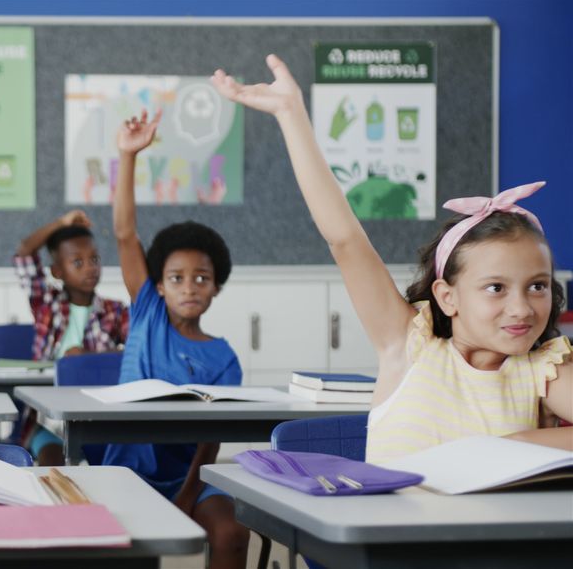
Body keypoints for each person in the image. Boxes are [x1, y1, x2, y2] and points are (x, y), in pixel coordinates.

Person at [209, 54, 572, 464]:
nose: (521, 307)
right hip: (395, 529)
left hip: (497, 531)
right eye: (495, 288)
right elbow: (345, 239)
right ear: (447, 296)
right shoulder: (408, 344)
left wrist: (518, 443)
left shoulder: (544, 368)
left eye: (537, 286)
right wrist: (291, 114)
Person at [102, 108, 249, 569]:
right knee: (133, 545)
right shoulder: (147, 311)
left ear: (216, 287)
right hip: (127, 469)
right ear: (159, 285)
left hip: (188, 475)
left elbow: (210, 442)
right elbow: (125, 233)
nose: (190, 287)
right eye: (178, 277)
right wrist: (128, 156)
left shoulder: (224, 358)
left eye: (202, 278)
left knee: (229, 530)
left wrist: (186, 496)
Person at [13, 211, 129, 464]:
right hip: (46, 414)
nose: (90, 268)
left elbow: (139, 351)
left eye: (94, 259)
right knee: (51, 459)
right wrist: (61, 223)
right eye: (78, 262)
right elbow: (23, 254)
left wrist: (86, 359)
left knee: (108, 462)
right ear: (57, 271)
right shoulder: (46, 303)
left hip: (97, 412)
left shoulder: (115, 311)